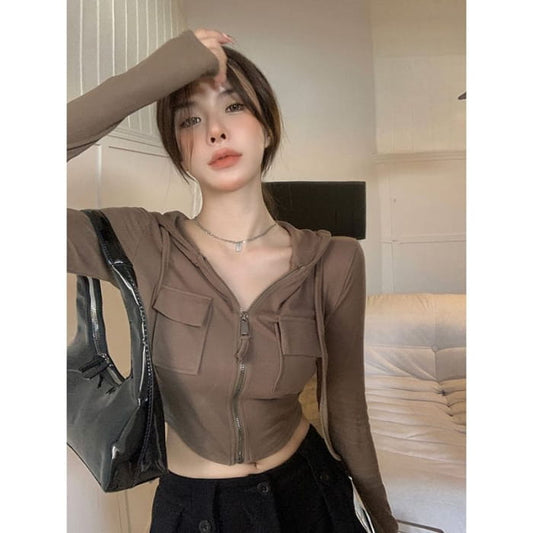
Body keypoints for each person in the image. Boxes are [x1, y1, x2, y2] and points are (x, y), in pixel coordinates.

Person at [67, 28, 399, 533]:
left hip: (310, 495)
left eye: (234, 107)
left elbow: (347, 410)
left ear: (268, 129)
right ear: (179, 152)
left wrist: (382, 519)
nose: (215, 132)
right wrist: (157, 74)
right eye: (190, 119)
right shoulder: (143, 242)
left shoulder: (335, 259)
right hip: (194, 510)